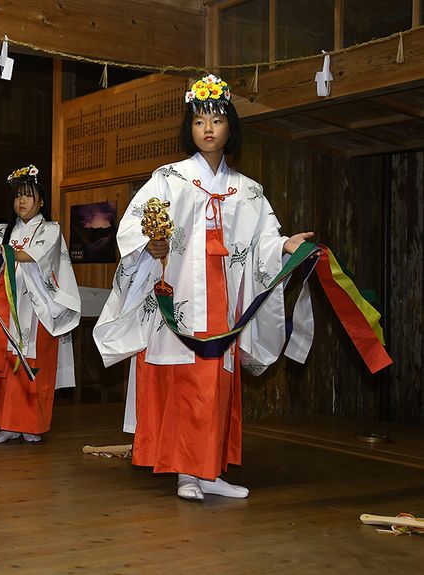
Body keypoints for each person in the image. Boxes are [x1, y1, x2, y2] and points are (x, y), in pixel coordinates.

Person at [93, 74, 314, 501]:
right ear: (189, 129)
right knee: (183, 384)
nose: (207, 129)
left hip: (225, 303)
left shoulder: (247, 191)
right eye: (198, 121)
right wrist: (150, 244)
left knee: (217, 387)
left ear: (230, 126)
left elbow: (264, 237)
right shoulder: (169, 179)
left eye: (215, 120)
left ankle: (209, 470)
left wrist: (285, 244)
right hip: (179, 300)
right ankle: (186, 473)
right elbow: (134, 231)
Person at [0, 165, 80, 444]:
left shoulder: (49, 230)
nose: (22, 202)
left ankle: (31, 425)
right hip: (4, 310)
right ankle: (6, 423)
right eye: (18, 196)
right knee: (4, 364)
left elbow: (35, 257)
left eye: (29, 195)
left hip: (36, 311)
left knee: (33, 365)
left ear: (41, 201)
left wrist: (5, 255)